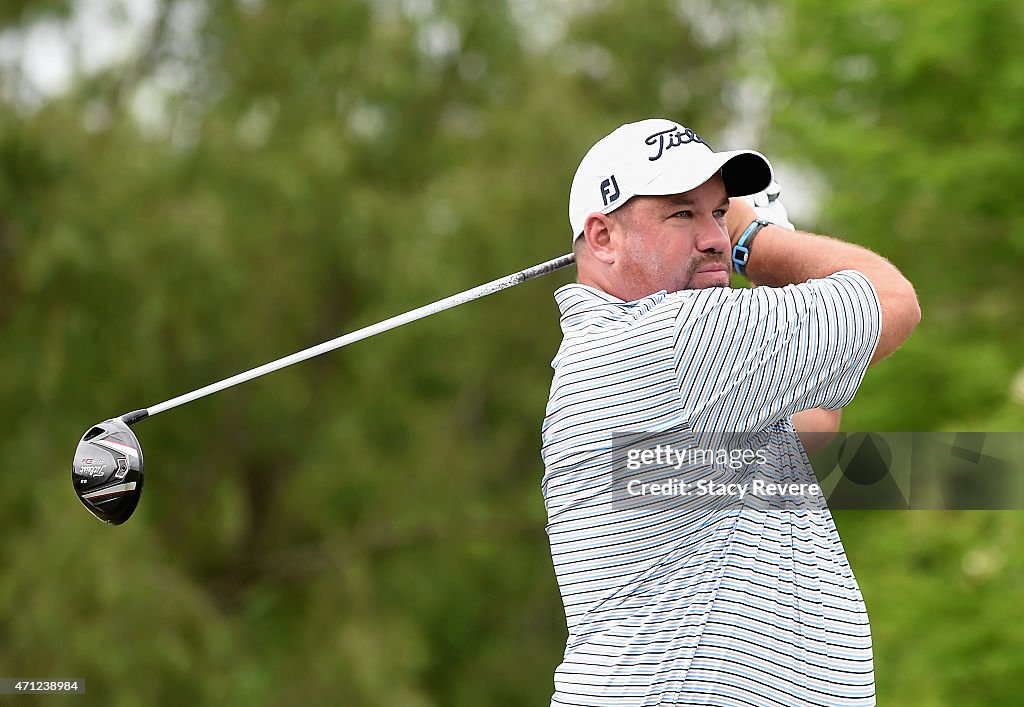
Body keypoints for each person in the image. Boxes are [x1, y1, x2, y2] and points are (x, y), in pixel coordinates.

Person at [540, 119, 920, 706]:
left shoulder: (637, 358)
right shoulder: (670, 339)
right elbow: (893, 302)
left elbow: (811, 424)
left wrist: (757, 235)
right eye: (681, 214)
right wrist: (755, 239)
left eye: (718, 213)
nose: (712, 236)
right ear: (604, 238)